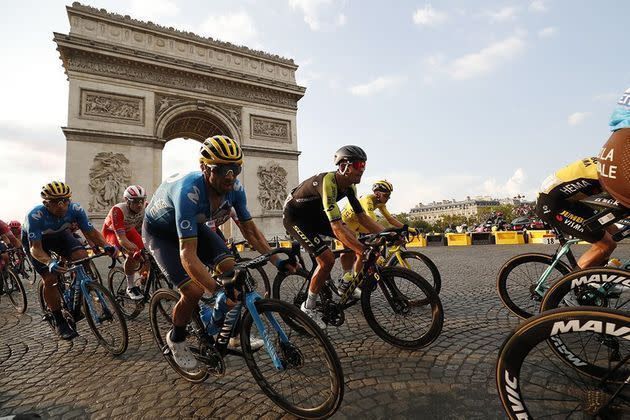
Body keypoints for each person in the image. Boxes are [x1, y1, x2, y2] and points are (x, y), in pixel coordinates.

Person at [143, 135, 293, 369]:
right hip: (161, 235)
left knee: (230, 268)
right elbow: (187, 254)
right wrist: (215, 292)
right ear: (204, 167)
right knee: (193, 291)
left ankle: (231, 335)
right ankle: (177, 339)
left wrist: (277, 261)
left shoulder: (235, 189)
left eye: (235, 168)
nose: (230, 175)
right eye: (222, 169)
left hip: (194, 228)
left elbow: (251, 231)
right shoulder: (188, 191)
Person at [283, 145, 383, 327]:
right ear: (344, 166)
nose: (362, 169)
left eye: (364, 165)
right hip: (295, 218)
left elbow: (362, 217)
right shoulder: (328, 182)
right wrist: (362, 250)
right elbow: (336, 227)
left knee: (352, 237)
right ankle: (308, 306)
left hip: (315, 215)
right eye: (359, 165)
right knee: (327, 259)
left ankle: (345, 282)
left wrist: (386, 232)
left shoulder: (349, 186)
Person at [23, 181, 116, 340]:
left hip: (60, 236)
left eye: (65, 201)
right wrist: (49, 263)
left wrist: (107, 246)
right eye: (55, 202)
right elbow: (36, 249)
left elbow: (92, 233)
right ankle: (59, 319)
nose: (61, 206)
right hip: (38, 243)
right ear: (46, 203)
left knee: (82, 257)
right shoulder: (35, 216)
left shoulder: (76, 209)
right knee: (51, 279)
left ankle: (76, 291)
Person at [535, 157, 616, 269]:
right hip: (551, 204)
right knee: (606, 245)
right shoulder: (610, 173)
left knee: (612, 229)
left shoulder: (608, 161)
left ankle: (599, 270)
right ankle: (574, 283)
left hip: (565, 201)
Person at [340, 180, 416, 290]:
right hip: (346, 222)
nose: (387, 199)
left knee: (370, 248)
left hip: (359, 223)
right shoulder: (368, 200)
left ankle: (359, 277)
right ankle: (350, 278)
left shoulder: (380, 203)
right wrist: (389, 233)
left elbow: (390, 219)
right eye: (386, 195)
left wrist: (409, 228)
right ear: (377, 194)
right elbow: (372, 220)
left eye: (389, 196)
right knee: (358, 249)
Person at [102, 185, 148, 300]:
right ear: (127, 201)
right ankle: (130, 287)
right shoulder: (118, 210)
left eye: (142, 201)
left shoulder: (146, 207)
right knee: (132, 255)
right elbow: (122, 239)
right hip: (112, 233)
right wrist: (135, 250)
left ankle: (141, 279)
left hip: (129, 230)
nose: (139, 205)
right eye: (136, 201)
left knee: (147, 255)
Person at [0, 219, 23, 295]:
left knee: (5, 255)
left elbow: (11, 238)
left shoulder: (1, 224)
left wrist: (20, 249)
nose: (15, 229)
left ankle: (6, 270)